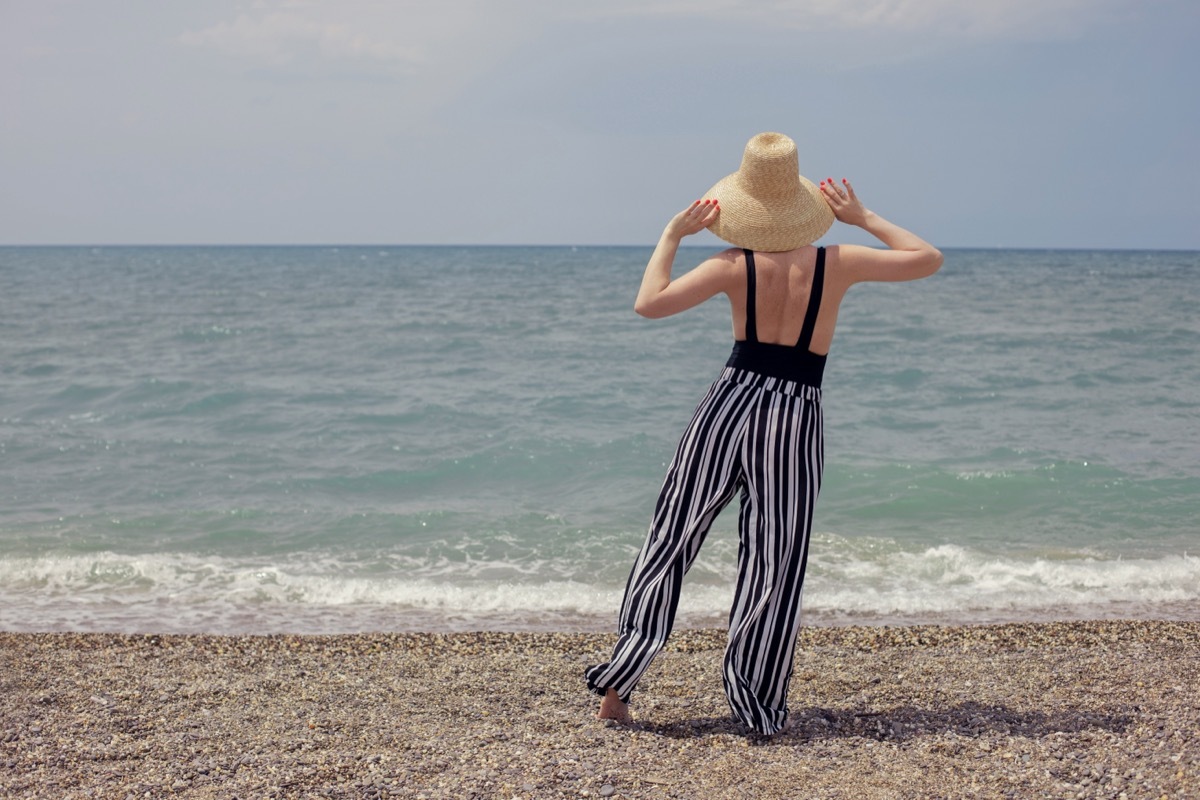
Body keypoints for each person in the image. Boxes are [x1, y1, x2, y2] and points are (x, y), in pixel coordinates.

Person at [584, 132, 943, 735]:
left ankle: (619, 682)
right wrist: (863, 217)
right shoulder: (839, 262)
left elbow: (649, 304)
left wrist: (673, 234)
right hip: (795, 411)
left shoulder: (731, 265)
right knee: (775, 558)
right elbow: (926, 258)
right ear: (805, 205)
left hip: (729, 402)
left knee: (672, 536)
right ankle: (755, 704)